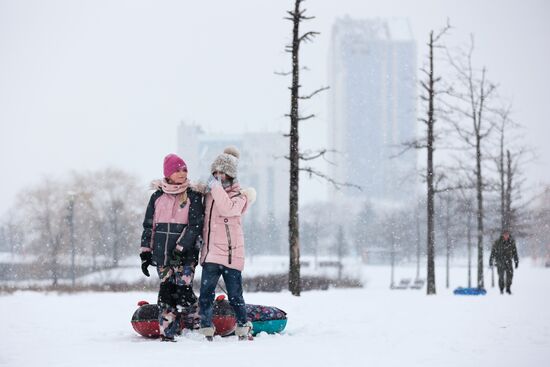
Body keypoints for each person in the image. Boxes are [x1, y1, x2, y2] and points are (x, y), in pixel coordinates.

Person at [140, 153, 204, 341]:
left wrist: (180, 249)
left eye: (185, 169)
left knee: (183, 290)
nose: (183, 173)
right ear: (168, 173)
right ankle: (168, 332)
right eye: (178, 170)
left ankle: (195, 328)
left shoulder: (193, 195)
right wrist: (145, 253)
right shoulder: (157, 197)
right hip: (162, 256)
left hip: (186, 255)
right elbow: (148, 225)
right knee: (167, 292)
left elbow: (195, 226)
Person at [197, 146, 256, 341]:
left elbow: (227, 209)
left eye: (223, 173)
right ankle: (206, 326)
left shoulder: (239, 197)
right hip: (212, 253)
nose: (218, 176)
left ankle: (242, 325)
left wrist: (214, 187)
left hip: (231, 255)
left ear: (231, 175)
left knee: (235, 296)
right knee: (205, 294)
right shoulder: (209, 194)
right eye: (215, 172)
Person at [489, 230, 519, 295]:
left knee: (510, 276)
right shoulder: (497, 242)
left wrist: (516, 261)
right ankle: (501, 289)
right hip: (500, 262)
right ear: (502, 235)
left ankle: (508, 288)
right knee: (501, 276)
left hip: (509, 262)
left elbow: (515, 253)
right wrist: (491, 261)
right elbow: (493, 253)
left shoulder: (511, 242)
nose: (506, 236)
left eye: (507, 234)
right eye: (505, 234)